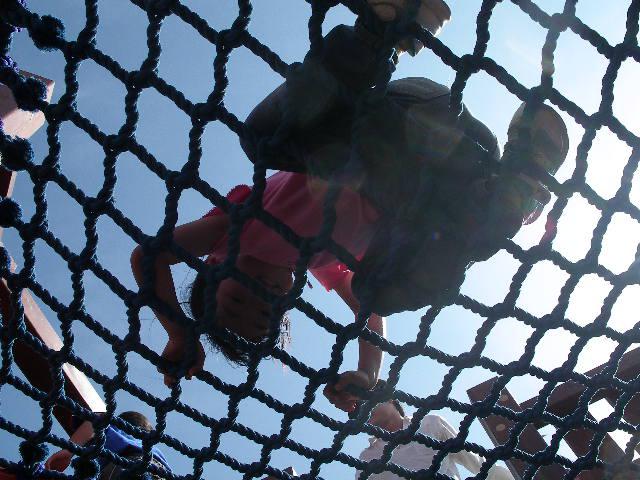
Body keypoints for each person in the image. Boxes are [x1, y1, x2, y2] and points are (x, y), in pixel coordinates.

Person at [130, 0, 569, 413]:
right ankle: (517, 178)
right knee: (379, 288)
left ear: (215, 264)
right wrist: (367, 373)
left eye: (239, 298)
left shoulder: (237, 229)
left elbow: (149, 256)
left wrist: (177, 331)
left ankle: (381, 29)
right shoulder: (321, 263)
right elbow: (370, 316)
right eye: (265, 311)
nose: (258, 295)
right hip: (453, 171)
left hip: (394, 118)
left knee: (262, 139)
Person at [354, 383, 514, 480]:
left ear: (389, 398)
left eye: (365, 401)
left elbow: (478, 464)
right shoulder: (367, 457)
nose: (363, 409)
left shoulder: (430, 423)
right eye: (357, 409)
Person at [45, 411, 171, 479]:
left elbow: (96, 419)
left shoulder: (118, 432)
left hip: (128, 465)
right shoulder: (153, 449)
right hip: (161, 473)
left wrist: (68, 451)